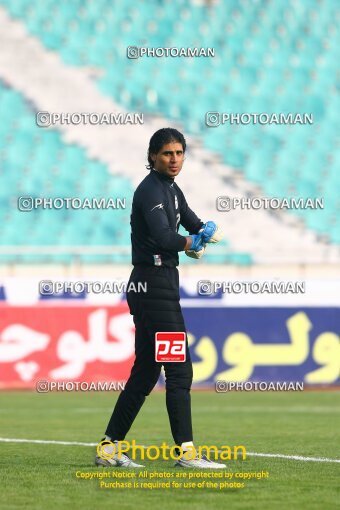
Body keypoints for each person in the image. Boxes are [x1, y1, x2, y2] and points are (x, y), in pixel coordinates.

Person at [95, 128, 224, 468]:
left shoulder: (171, 188)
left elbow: (191, 222)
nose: (174, 159)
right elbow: (165, 236)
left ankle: (109, 449)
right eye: (167, 153)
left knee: (146, 372)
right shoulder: (150, 189)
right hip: (153, 286)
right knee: (179, 370)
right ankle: (187, 452)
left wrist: (206, 230)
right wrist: (188, 244)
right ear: (152, 156)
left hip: (158, 283)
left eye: (179, 153)